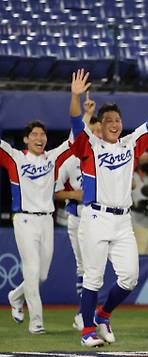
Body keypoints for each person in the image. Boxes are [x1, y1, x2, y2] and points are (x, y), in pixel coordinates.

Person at [69, 69, 148, 347]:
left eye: (117, 119)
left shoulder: (130, 145)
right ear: (100, 126)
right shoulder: (89, 147)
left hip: (122, 220)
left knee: (129, 277)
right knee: (93, 278)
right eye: (108, 121)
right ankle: (87, 331)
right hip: (95, 217)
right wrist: (76, 97)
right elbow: (75, 123)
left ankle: (103, 315)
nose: (114, 123)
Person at [2, 121, 74, 334]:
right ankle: (36, 322)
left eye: (42, 134)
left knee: (41, 275)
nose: (39, 138)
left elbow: (72, 142)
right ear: (25, 139)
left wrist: (86, 114)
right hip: (24, 219)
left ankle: (15, 296)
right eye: (34, 134)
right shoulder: (16, 157)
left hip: (46, 220)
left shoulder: (52, 158)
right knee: (32, 271)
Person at [54, 93, 100, 331]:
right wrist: (74, 195)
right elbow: (57, 192)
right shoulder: (70, 161)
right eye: (92, 130)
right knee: (84, 267)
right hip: (78, 216)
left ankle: (92, 312)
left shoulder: (103, 156)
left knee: (97, 268)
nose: (96, 134)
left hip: (101, 217)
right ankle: (83, 314)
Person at [131, 152, 148, 254]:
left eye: (147, 161)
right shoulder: (132, 177)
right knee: (140, 256)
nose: (145, 163)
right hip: (137, 223)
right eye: (142, 161)